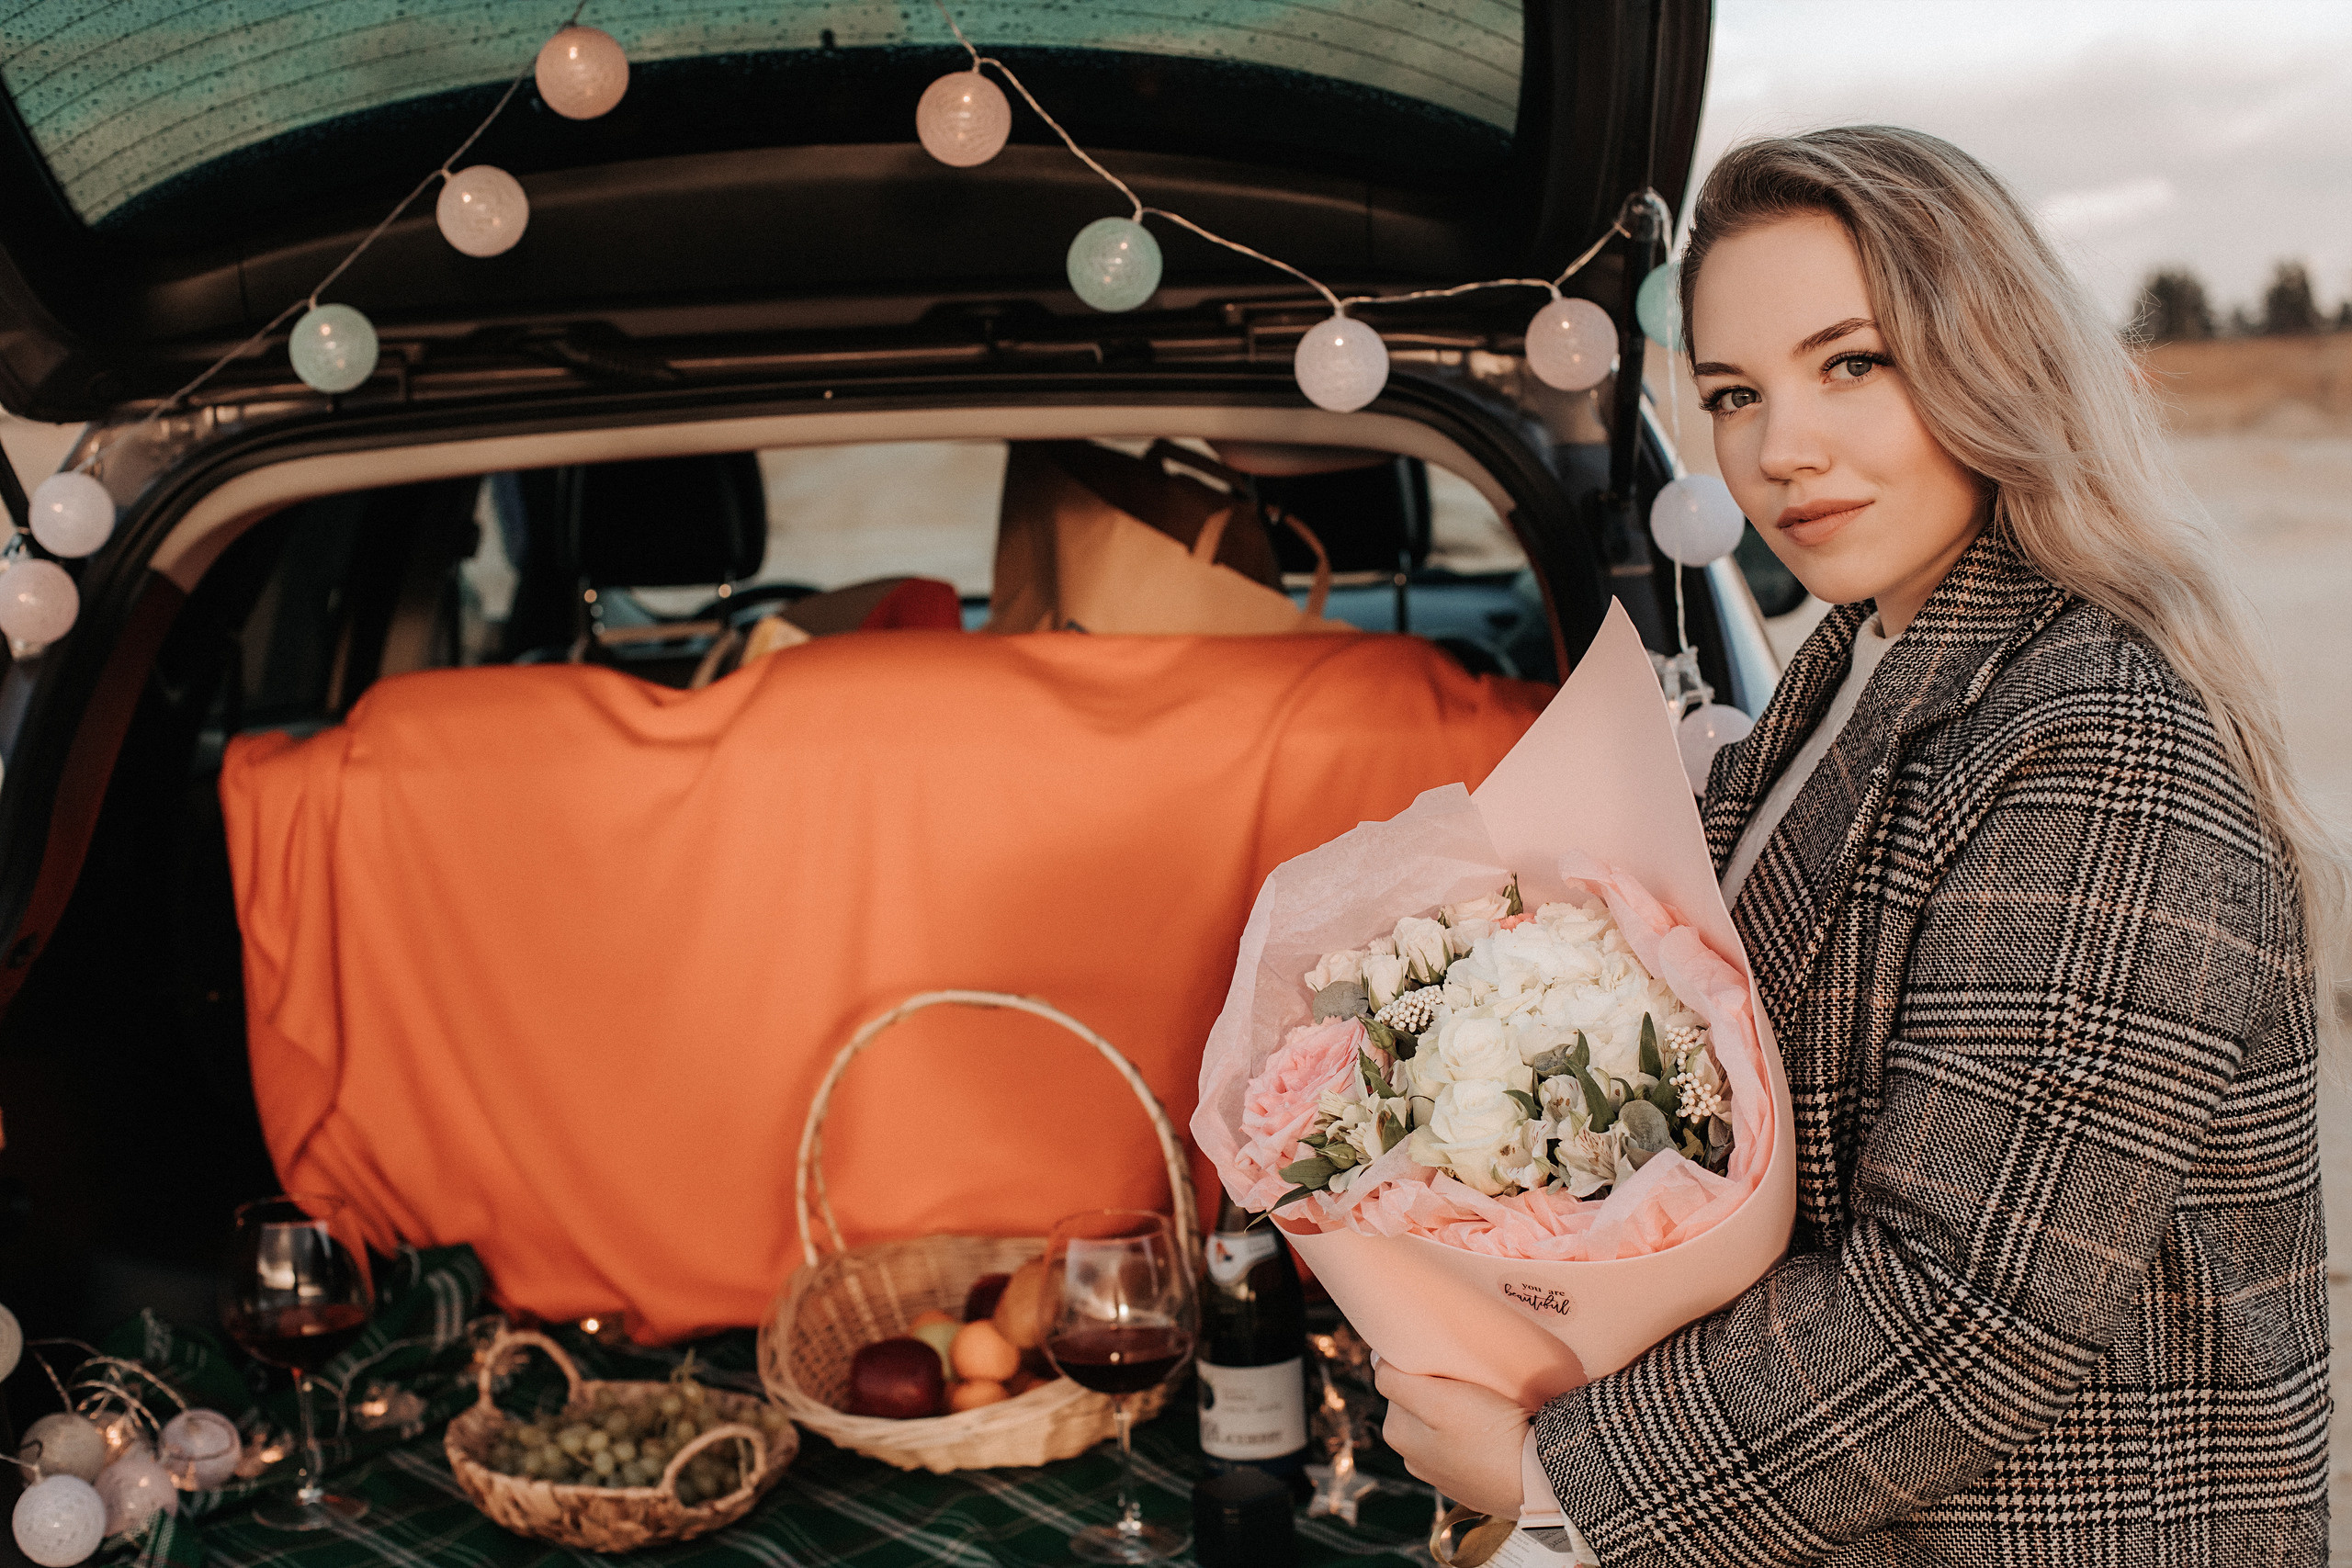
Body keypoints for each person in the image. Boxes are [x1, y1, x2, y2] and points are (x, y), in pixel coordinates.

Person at [1377, 126, 2340, 1564]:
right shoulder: (1850, 662)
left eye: (1852, 364)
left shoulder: (2099, 736)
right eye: (1731, 394)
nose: (1781, 450)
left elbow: (1967, 1316)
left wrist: (1555, 1474)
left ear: (1992, 354)